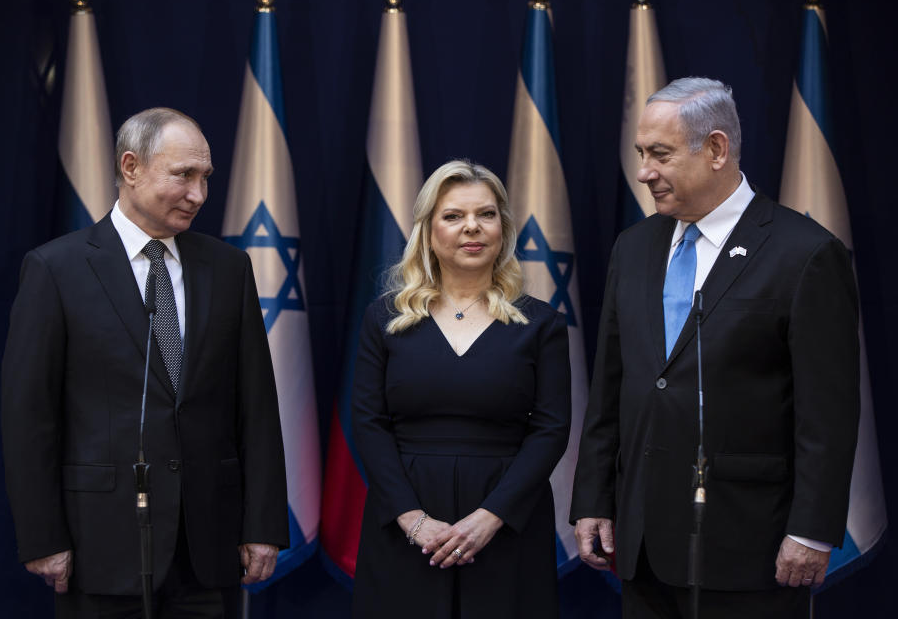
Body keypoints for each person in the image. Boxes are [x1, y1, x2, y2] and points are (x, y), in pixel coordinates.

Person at [570, 77, 859, 618]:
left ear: (717, 150)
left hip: (750, 542)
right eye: (640, 154)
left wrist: (813, 531)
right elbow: (612, 387)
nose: (643, 172)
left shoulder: (805, 253)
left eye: (660, 154)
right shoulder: (632, 248)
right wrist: (593, 499)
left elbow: (828, 413)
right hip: (645, 543)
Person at [1, 107, 288, 617]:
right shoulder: (56, 269)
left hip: (207, 547)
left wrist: (262, 526)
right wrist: (42, 536)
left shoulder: (228, 268)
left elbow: (257, 406)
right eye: (183, 175)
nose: (199, 194)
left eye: (205, 178)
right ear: (130, 167)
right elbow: (29, 416)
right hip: (100, 543)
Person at [350, 160, 571, 618]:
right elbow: (368, 423)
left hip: (507, 520)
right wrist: (414, 522)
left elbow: (551, 429)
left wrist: (491, 518)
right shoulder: (384, 319)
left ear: (503, 229)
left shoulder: (541, 322)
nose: (472, 227)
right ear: (428, 231)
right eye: (453, 216)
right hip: (405, 518)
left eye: (486, 215)